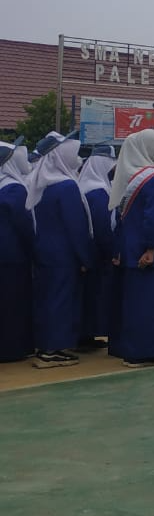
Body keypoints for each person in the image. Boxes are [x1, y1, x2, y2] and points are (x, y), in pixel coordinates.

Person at [107, 128, 154, 367]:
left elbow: (118, 217)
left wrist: (118, 249)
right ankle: (145, 352)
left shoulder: (127, 175)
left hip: (128, 249)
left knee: (131, 302)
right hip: (146, 253)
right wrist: (152, 249)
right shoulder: (151, 178)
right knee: (149, 304)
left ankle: (126, 347)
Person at [28, 132, 95, 368]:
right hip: (64, 256)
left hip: (45, 252)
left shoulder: (44, 185)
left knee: (48, 300)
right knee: (61, 301)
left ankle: (45, 345)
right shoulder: (66, 187)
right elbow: (76, 228)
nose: (76, 158)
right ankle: (53, 349)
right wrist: (86, 257)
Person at [0, 138, 36, 362]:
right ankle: (12, 348)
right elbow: (25, 225)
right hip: (12, 256)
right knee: (12, 303)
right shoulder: (14, 189)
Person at [77, 144, 116, 350]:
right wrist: (112, 251)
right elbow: (103, 227)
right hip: (97, 253)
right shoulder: (98, 192)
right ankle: (86, 335)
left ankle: (86, 335)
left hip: (84, 251)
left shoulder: (84, 185)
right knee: (94, 295)